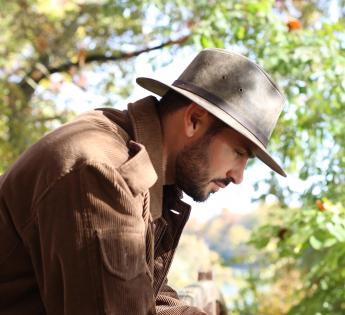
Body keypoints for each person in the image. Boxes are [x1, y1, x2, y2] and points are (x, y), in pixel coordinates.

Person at [0, 48, 286, 314]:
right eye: (238, 152)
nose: (239, 176)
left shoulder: (144, 173)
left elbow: (145, 295)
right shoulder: (102, 172)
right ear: (194, 120)